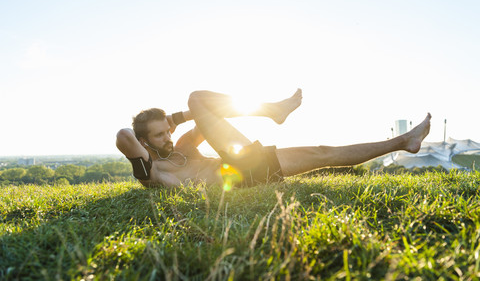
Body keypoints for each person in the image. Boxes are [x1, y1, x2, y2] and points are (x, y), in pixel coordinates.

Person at [116, 89, 431, 188]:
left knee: (324, 153)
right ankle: (273, 111)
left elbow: (210, 116)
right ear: (144, 144)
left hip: (245, 167)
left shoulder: (183, 146)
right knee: (197, 97)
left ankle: (404, 142)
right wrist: (177, 116)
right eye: (159, 135)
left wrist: (177, 120)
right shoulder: (152, 172)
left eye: (167, 130)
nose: (169, 137)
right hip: (242, 177)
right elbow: (124, 135)